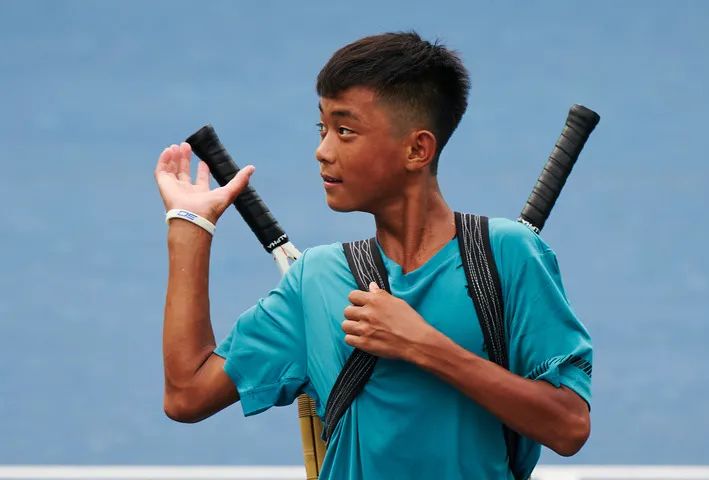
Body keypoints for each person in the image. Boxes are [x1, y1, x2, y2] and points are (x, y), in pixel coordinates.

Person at [154, 31, 592, 479]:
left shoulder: (509, 256)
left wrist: (422, 344)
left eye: (345, 131)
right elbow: (187, 395)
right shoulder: (316, 279)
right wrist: (190, 227)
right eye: (322, 129)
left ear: (417, 149)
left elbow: (569, 426)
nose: (322, 151)